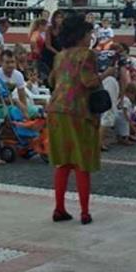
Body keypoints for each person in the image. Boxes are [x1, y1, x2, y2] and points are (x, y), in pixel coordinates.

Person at [46, 13, 101, 225]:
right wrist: (107, 74)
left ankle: (59, 208)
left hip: (56, 110)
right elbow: (89, 82)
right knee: (82, 162)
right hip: (78, 111)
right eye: (89, 33)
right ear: (81, 34)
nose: (90, 37)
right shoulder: (87, 55)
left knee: (63, 162)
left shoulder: (60, 55)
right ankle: (85, 212)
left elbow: (52, 79)